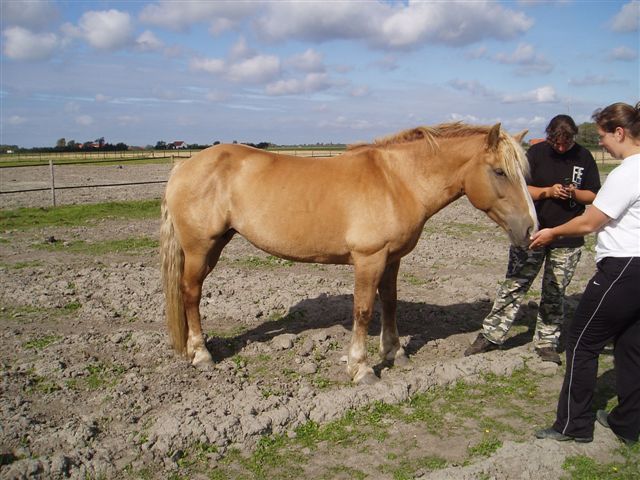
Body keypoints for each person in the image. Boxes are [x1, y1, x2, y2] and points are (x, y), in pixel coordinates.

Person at [532, 101, 640, 445]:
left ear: (620, 132)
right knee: (630, 346)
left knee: (581, 342)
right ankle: (627, 423)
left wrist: (552, 232)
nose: (602, 142)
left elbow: (592, 221)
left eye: (604, 135)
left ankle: (572, 426)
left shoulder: (628, 172)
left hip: (623, 268)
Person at [464, 115, 601, 364]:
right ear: (549, 136)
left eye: (566, 142)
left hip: (568, 237)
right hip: (532, 233)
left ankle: (547, 342)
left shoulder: (583, 157)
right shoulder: (536, 154)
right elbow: (518, 187)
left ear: (573, 137)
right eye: (556, 142)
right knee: (514, 285)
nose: (560, 147)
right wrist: (547, 191)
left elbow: (593, 193)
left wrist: (574, 193)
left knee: (555, 292)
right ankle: (491, 335)